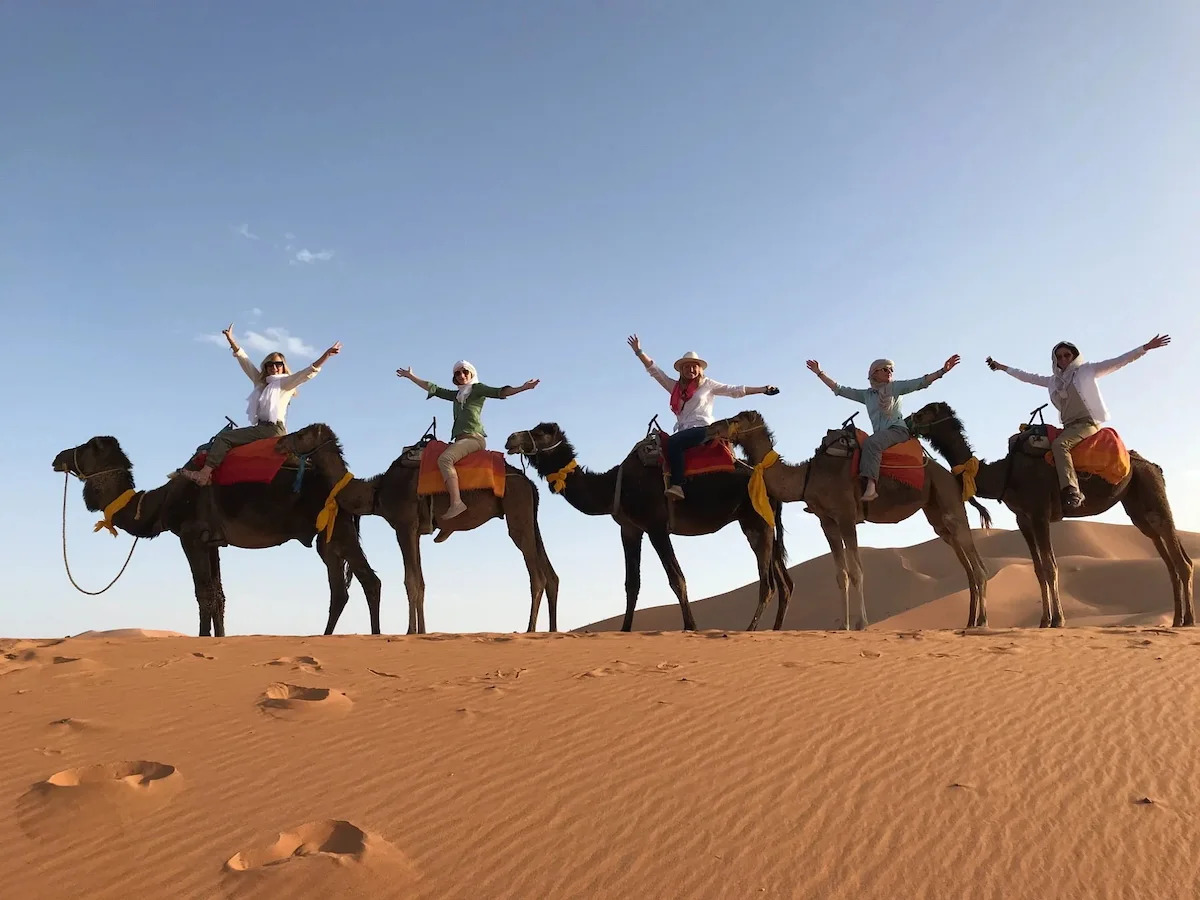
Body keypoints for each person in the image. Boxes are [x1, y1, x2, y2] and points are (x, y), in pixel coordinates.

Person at [985, 334, 1171, 509]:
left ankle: (1072, 490)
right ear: (1055, 360)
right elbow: (1027, 377)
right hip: (1068, 426)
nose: (1064, 359)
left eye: (1067, 355)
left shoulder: (1086, 371)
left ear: (1074, 356)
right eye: (1059, 357)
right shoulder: (1053, 381)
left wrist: (1145, 348)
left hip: (1088, 424)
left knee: (1060, 446)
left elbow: (1118, 361)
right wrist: (1002, 368)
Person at [180, 323, 342, 487]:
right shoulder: (261, 383)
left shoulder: (285, 383)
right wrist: (231, 340)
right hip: (261, 427)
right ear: (266, 367)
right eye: (270, 364)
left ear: (283, 366)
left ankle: (204, 474)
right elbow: (245, 361)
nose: (274, 367)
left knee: (225, 438)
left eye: (278, 364)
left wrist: (326, 355)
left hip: (272, 429)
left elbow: (307, 373)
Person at [627, 335, 779, 500]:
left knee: (674, 443)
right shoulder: (675, 388)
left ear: (700, 369)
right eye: (686, 367)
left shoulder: (707, 385)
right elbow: (655, 371)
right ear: (681, 370)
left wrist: (763, 389)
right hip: (684, 431)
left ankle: (677, 485)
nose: (690, 370)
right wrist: (639, 351)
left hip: (705, 429)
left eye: (694, 366)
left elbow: (734, 390)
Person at [396, 361, 539, 521]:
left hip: (473, 438)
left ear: (471, 373)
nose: (462, 375)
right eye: (458, 373)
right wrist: (411, 376)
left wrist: (523, 387)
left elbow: (499, 392)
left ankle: (456, 503)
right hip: (460, 439)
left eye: (465, 372)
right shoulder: (457, 396)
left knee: (445, 459)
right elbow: (433, 388)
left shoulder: (477, 389)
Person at [807, 354, 960, 502]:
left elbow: (921, 382)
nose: (890, 372)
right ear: (875, 373)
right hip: (881, 435)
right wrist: (820, 373)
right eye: (885, 369)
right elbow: (839, 389)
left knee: (871, 443)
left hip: (897, 431)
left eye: (891, 370)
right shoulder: (867, 395)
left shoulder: (895, 387)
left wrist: (942, 371)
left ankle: (871, 486)